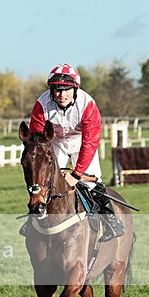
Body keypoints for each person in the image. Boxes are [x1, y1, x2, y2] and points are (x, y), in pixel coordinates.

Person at [27, 63, 124, 241]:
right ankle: (33, 217)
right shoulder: (41, 105)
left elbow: (90, 143)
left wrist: (76, 175)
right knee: (43, 178)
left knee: (92, 180)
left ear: (75, 89)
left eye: (66, 90)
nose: (61, 95)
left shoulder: (87, 105)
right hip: (55, 142)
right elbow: (37, 141)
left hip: (81, 143)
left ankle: (111, 220)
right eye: (57, 90)